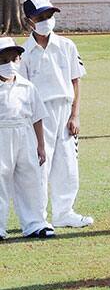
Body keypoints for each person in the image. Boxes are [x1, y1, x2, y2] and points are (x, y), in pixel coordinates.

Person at [19, 0, 93, 228]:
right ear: (29, 21)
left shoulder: (67, 45)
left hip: (64, 111)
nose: (46, 21)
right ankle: (38, 218)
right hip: (39, 115)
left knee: (68, 163)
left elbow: (75, 81)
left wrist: (75, 114)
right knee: (40, 164)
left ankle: (64, 212)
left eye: (49, 16)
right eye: (40, 17)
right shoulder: (24, 52)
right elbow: (23, 90)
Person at [0, 36, 54, 239]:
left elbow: (37, 116)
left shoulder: (27, 86)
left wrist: (40, 145)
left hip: (24, 135)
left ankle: (35, 223)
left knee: (31, 178)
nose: (10, 65)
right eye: (4, 61)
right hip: (2, 135)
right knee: (1, 180)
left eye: (14, 60)